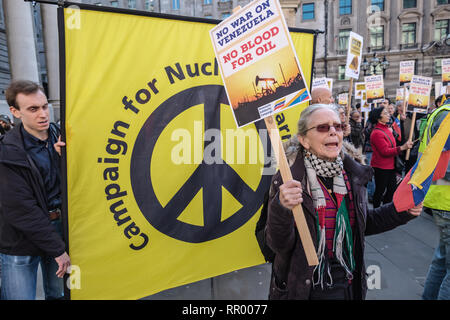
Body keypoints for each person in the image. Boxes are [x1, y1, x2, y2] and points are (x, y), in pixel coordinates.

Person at [266, 104, 422, 300]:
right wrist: (282, 207)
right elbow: (278, 244)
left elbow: (364, 223)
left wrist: (403, 211)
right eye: (323, 127)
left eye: (337, 127)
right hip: (303, 286)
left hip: (346, 282)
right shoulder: (289, 179)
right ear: (304, 140)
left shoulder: (353, 175)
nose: (333, 131)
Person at [0, 80, 70, 300]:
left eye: (44, 106)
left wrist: (65, 160)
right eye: (33, 109)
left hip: (60, 227)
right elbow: (21, 208)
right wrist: (57, 250)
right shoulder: (7, 152)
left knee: (59, 294)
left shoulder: (63, 138)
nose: (42, 114)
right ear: (15, 112)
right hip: (20, 239)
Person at [421, 97, 450, 300]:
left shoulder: (443, 111)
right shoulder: (447, 115)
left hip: (441, 196)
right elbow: (446, 165)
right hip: (446, 199)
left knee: (442, 260)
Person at [369, 107, 413, 208]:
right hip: (381, 167)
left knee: (392, 189)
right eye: (385, 113)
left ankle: (385, 210)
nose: (389, 114)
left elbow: (395, 144)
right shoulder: (377, 133)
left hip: (391, 166)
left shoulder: (387, 128)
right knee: (380, 190)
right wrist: (402, 147)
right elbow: (385, 152)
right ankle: (376, 212)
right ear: (378, 118)